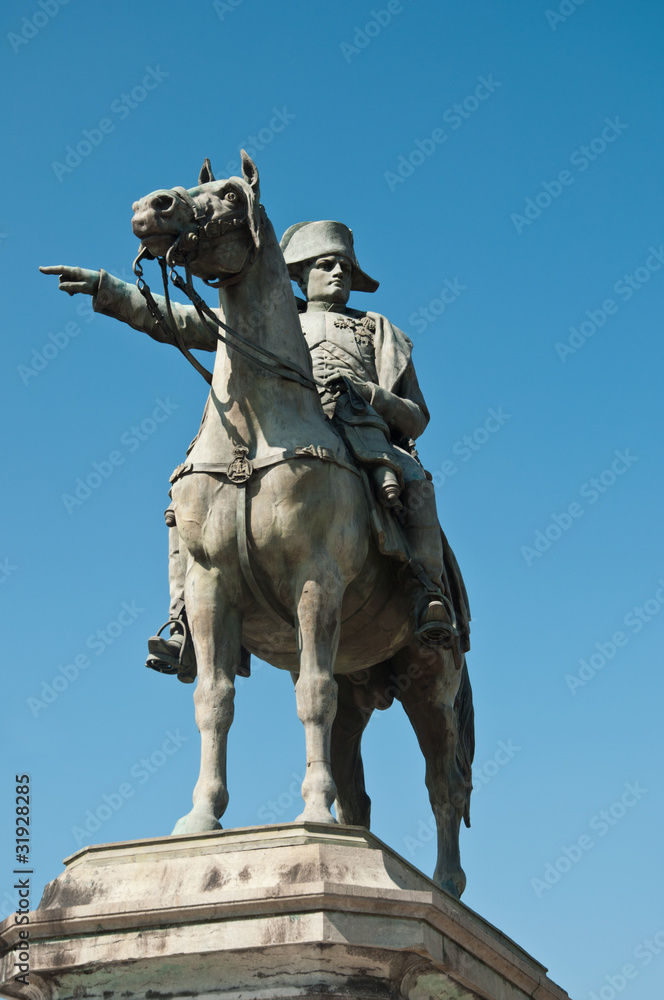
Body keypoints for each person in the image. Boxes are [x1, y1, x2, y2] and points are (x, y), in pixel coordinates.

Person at [41, 220, 466, 680]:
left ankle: (427, 593)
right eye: (326, 264)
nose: (338, 272)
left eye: (345, 266)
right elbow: (179, 319)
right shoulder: (270, 318)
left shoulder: (376, 328)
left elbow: (415, 416)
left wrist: (369, 393)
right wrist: (108, 289)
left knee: (417, 483)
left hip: (360, 432)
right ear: (301, 274)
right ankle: (183, 616)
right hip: (276, 437)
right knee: (187, 493)